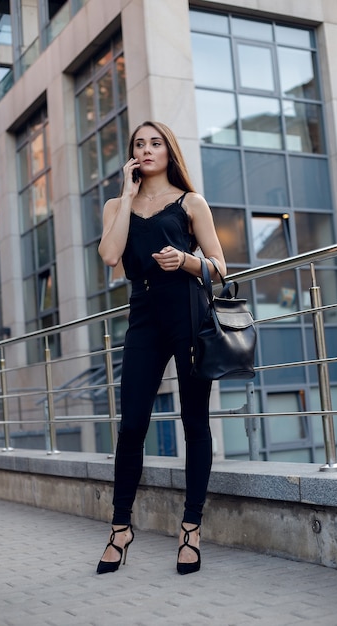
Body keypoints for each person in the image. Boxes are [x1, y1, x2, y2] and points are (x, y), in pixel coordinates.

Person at [97, 121, 226, 575]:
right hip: (144, 319)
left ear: (169, 151)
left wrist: (186, 260)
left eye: (155, 143)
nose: (147, 149)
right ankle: (120, 528)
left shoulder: (191, 202)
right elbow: (111, 257)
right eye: (139, 144)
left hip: (188, 314)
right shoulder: (117, 204)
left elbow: (220, 266)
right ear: (132, 155)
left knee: (195, 422)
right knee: (132, 424)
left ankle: (191, 528)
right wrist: (128, 199)